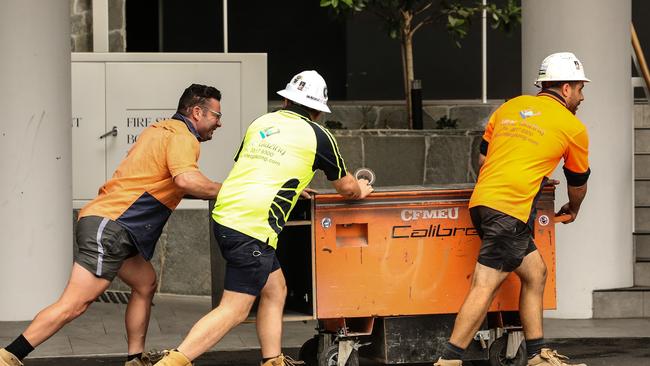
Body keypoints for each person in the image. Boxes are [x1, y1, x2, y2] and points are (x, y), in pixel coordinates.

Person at [152, 70, 373, 366]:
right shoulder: (320, 136)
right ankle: (172, 362)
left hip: (226, 215)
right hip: (252, 226)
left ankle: (273, 360)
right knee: (235, 308)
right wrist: (361, 187)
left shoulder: (262, 122)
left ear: (285, 99)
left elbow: (255, 168)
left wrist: (293, 183)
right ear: (318, 111)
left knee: (275, 287)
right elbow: (346, 188)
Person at [0, 84, 224, 366]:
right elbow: (186, 181)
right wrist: (233, 189)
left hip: (113, 225)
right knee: (75, 303)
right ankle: (9, 355)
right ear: (196, 112)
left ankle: (134, 359)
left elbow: (167, 183)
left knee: (145, 282)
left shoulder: (159, 130)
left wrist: (210, 189)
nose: (219, 122)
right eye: (216, 115)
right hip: (113, 225)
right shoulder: (183, 137)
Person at [434, 52, 591, 366]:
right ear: (564, 89)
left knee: (535, 273)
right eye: (579, 88)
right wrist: (573, 209)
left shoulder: (509, 107)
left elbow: (483, 159)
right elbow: (578, 181)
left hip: (482, 203)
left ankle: (537, 355)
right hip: (509, 210)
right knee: (485, 284)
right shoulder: (572, 127)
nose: (582, 96)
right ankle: (449, 360)